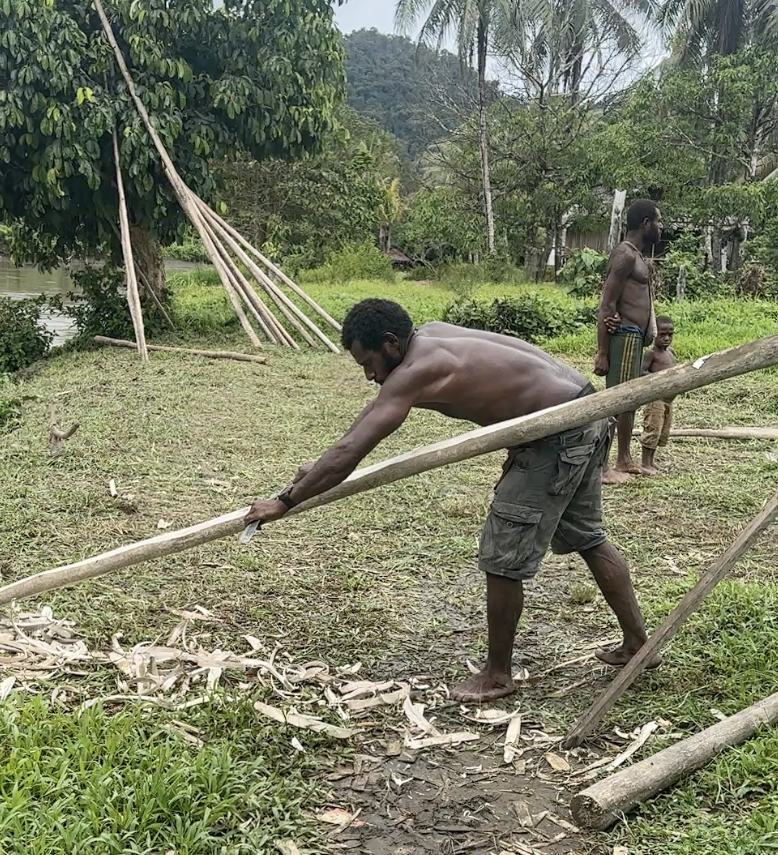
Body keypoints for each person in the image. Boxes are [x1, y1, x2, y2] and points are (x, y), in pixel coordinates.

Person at [245, 299, 656, 704]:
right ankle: (638, 642)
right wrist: (316, 470)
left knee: (502, 557)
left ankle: (497, 676)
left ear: (391, 343)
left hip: (558, 433)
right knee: (587, 537)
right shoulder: (432, 334)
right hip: (583, 412)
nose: (370, 375)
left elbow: (355, 448)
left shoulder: (415, 371)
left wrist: (285, 501)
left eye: (368, 363)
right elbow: (366, 421)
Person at [595, 199, 663, 483]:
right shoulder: (625, 255)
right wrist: (602, 351)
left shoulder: (635, 255)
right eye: (659, 222)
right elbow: (606, 303)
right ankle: (601, 466)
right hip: (623, 337)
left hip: (634, 339)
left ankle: (624, 459)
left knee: (629, 401)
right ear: (646, 223)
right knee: (617, 402)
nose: (661, 228)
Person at [640, 316, 677, 476]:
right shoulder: (651, 353)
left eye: (670, 334)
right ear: (654, 334)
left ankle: (651, 460)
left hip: (669, 400)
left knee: (661, 431)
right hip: (656, 399)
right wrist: (660, 381)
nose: (667, 338)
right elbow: (642, 372)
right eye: (662, 334)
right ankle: (644, 463)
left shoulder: (671, 353)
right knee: (652, 429)